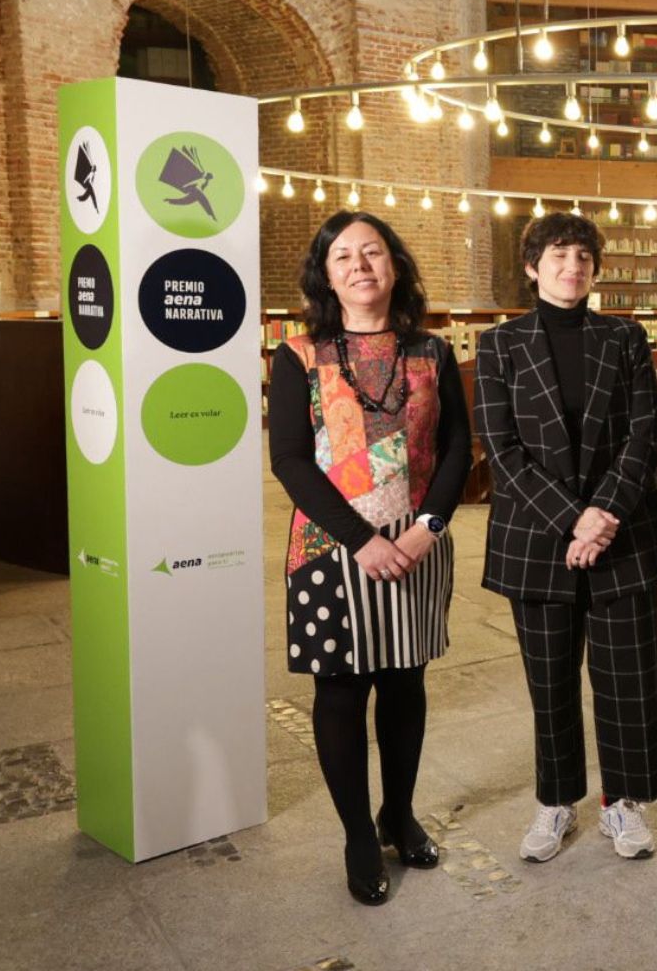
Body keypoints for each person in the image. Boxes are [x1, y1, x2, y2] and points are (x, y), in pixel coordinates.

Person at [269, 211, 471, 905]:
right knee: (340, 690)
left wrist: (428, 528)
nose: (360, 266)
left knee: (405, 682)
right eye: (344, 257)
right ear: (326, 276)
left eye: (373, 253)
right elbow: (290, 460)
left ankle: (399, 812)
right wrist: (362, 538)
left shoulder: (434, 354)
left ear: (395, 265)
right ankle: (359, 833)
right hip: (331, 549)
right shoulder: (297, 356)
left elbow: (457, 452)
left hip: (417, 547)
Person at [474, 212, 657, 864]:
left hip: (624, 535)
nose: (573, 266)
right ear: (533, 266)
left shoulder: (626, 336)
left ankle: (623, 805)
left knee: (628, 680)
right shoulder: (500, 345)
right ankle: (555, 802)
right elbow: (501, 450)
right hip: (538, 539)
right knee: (550, 682)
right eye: (559, 254)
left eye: (584, 255)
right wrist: (573, 518)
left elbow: (644, 433)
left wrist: (605, 513)